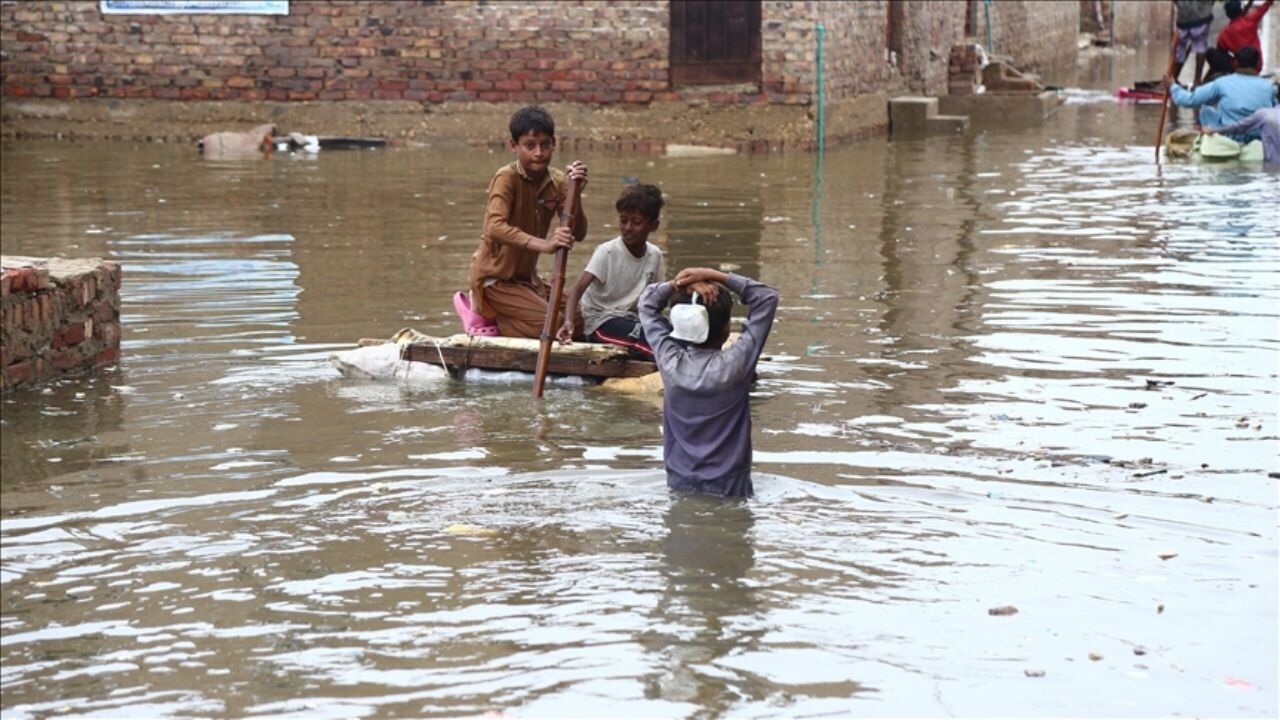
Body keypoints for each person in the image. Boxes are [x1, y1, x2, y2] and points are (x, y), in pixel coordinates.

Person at [638, 268, 779, 498]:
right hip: (730, 490)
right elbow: (767, 297)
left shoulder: (670, 364)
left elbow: (647, 302)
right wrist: (714, 275)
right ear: (726, 330)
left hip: (680, 486)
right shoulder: (736, 365)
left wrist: (677, 284)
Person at [465, 105, 589, 338]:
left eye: (545, 145)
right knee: (555, 323)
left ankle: (514, 317)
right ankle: (499, 322)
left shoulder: (558, 181)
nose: (538, 153)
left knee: (579, 320)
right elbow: (494, 228)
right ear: (514, 145)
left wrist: (576, 193)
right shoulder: (506, 177)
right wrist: (546, 245)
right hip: (496, 280)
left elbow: (579, 233)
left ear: (554, 144)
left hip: (527, 279)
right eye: (530, 146)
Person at [555, 183, 667, 358]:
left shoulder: (655, 255)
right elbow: (576, 291)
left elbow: (657, 298)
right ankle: (675, 365)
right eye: (624, 220)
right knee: (647, 340)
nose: (628, 228)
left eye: (636, 222)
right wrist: (569, 322)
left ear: (653, 225)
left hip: (632, 320)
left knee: (667, 333)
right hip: (601, 322)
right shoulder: (607, 252)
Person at [1166, 47, 1278, 140]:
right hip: (1259, 136)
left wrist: (1172, 86)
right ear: (1257, 64)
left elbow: (1189, 100)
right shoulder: (1269, 87)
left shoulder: (1222, 83)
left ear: (1236, 63)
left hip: (1230, 135)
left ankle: (1206, 138)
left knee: (1206, 111)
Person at [1204, 107, 1280, 162]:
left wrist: (1215, 130)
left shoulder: (1264, 114)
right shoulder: (1265, 115)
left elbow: (1238, 127)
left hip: (1272, 167)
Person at [1217, 0, 1274, 68]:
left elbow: (1221, 52)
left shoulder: (1224, 34)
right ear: (1240, 10)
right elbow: (1264, 7)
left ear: (1227, 14)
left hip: (1239, 66)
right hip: (1257, 64)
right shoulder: (1250, 21)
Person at [1173, 0, 1215, 87]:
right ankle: (1197, 80)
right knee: (1200, 46)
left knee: (1180, 47)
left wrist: (1180, 5)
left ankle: (1174, 77)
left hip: (1184, 15)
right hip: (1202, 13)